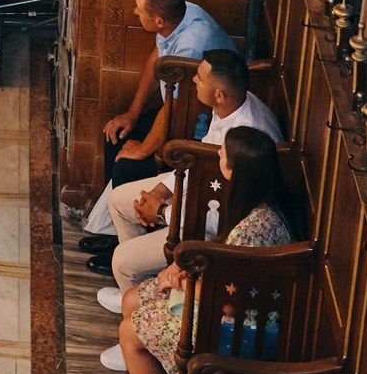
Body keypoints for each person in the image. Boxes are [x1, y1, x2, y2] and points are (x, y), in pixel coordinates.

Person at [108, 126, 303, 374]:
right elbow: (227, 268)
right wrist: (187, 271)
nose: (218, 152)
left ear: (237, 170)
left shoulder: (253, 230)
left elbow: (228, 297)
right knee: (131, 300)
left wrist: (182, 282)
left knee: (129, 333)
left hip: (241, 325)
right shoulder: (261, 200)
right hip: (228, 299)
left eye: (223, 153)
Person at [93, 50, 285, 299]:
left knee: (122, 260)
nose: (194, 80)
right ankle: (141, 283)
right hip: (198, 193)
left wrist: (162, 212)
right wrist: (158, 193)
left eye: (201, 78)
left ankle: (139, 303)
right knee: (119, 200)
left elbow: (218, 217)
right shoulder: (231, 103)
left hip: (211, 224)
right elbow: (198, 164)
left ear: (218, 93)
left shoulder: (244, 138)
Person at [80, 0, 236, 250]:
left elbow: (177, 106)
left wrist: (145, 150)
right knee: (115, 138)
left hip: (197, 124)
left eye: (140, 10)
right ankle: (113, 231)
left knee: (131, 166)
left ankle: (130, 244)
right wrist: (132, 114)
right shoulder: (178, 15)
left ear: (160, 20)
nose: (135, 13)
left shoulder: (191, 44)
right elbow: (158, 60)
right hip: (176, 110)